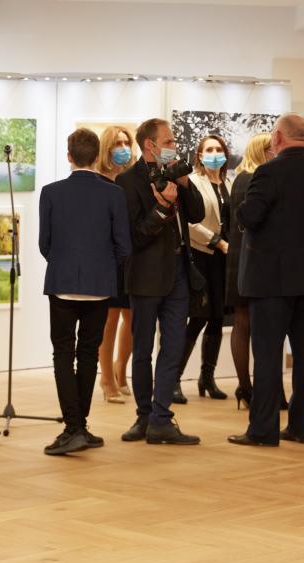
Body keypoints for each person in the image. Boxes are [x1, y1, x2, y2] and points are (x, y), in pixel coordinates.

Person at [228, 113, 304, 447]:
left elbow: (249, 216)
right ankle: (302, 428)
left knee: (267, 356)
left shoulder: (268, 172)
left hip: (270, 282)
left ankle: (263, 430)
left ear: (277, 137)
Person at [39, 128, 131, 455]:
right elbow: (123, 247)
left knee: (63, 354)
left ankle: (73, 427)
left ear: (69, 156)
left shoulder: (51, 192)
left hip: (62, 284)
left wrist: (66, 263)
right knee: (88, 354)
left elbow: (45, 244)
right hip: (99, 287)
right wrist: (102, 267)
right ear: (97, 157)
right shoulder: (114, 194)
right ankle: (80, 426)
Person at [116, 118, 205, 445]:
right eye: (168, 142)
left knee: (173, 346)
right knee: (142, 350)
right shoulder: (127, 181)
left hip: (179, 272)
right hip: (145, 275)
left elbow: (197, 214)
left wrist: (185, 184)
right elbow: (135, 236)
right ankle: (144, 416)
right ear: (150, 145)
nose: (174, 147)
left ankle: (161, 418)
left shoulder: (175, 173)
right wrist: (163, 206)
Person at [174, 134, 233, 404]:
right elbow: (189, 221)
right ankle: (174, 379)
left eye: (218, 149)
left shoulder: (229, 183)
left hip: (225, 260)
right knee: (198, 317)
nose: (214, 153)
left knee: (218, 318)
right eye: (209, 149)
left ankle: (207, 378)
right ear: (199, 155)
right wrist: (216, 241)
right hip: (202, 256)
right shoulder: (194, 182)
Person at [228, 133, 280, 410]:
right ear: (263, 151)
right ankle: (258, 389)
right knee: (258, 326)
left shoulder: (240, 178)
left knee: (242, 322)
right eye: (272, 149)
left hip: (238, 257)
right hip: (255, 258)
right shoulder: (258, 178)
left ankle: (245, 387)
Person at [95, 125, 136, 405]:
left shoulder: (130, 179)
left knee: (132, 318)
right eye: (117, 143)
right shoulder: (98, 181)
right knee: (109, 319)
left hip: (132, 257)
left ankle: (121, 369)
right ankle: (106, 378)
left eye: (126, 142)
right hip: (107, 258)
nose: (123, 148)